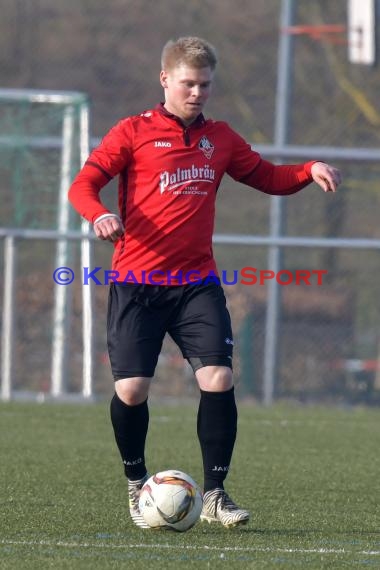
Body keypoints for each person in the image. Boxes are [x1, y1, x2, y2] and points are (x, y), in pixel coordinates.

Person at [68, 36, 341, 529]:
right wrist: (98, 214)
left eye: (205, 85)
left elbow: (267, 177)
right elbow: (83, 184)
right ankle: (137, 482)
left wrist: (308, 170)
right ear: (165, 79)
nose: (197, 93)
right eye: (189, 83)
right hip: (138, 283)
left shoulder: (222, 139)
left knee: (218, 379)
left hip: (196, 284)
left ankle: (215, 494)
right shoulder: (132, 132)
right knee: (132, 390)